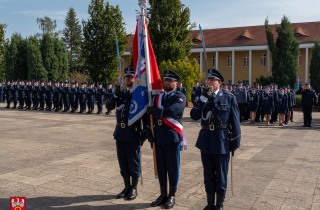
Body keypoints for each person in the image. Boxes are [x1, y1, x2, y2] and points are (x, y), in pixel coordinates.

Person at [190, 69, 241, 210]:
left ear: (220, 83)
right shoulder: (202, 97)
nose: (210, 82)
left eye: (213, 80)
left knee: (221, 174)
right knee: (208, 174)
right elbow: (194, 115)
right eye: (208, 80)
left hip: (221, 140)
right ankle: (210, 203)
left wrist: (235, 142)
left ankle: (219, 204)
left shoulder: (229, 97)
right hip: (206, 139)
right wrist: (203, 100)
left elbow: (235, 122)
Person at [146, 69, 186, 209]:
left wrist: (155, 112)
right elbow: (149, 118)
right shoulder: (158, 97)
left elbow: (171, 111)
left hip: (171, 135)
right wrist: (149, 133)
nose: (167, 83)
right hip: (159, 135)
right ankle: (163, 194)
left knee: (172, 167)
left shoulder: (180, 96)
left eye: (170, 81)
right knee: (161, 167)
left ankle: (172, 195)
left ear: (176, 83)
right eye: (166, 80)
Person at [106, 67, 146, 201]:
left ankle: (134, 188)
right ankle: (126, 187)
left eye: (130, 77)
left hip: (132, 132)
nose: (128, 79)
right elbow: (109, 106)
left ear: (135, 79)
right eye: (126, 77)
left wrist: (144, 134)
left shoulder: (138, 95)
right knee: (123, 162)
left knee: (133, 161)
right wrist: (115, 94)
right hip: (120, 132)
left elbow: (144, 116)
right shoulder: (120, 93)